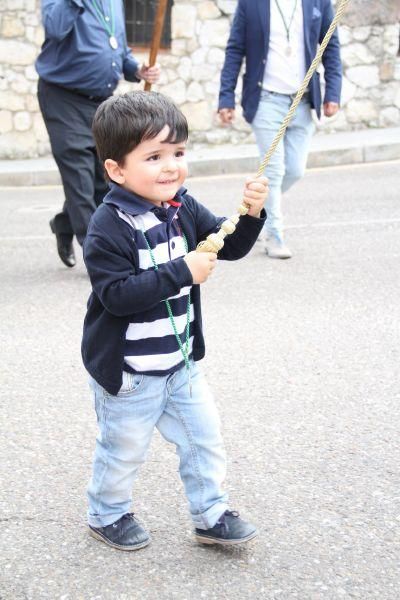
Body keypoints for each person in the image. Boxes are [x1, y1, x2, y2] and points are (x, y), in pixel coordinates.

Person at [82, 91, 268, 550]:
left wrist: (251, 213)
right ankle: (106, 514)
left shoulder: (182, 207)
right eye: (154, 156)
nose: (171, 166)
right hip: (129, 374)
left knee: (203, 440)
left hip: (180, 364)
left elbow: (231, 244)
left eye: (178, 153)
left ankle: (211, 514)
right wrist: (183, 271)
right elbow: (117, 296)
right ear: (116, 170)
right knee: (123, 452)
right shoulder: (109, 226)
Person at [36, 0, 160, 268]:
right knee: (79, 177)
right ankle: (101, 255)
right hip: (63, 97)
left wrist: (137, 70)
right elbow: (55, 28)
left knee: (106, 178)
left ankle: (64, 223)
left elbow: (119, 47)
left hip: (101, 101)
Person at [218, 0, 342, 259]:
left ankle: (257, 210)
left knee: (295, 170)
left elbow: (331, 47)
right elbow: (234, 50)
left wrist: (333, 92)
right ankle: (274, 234)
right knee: (273, 172)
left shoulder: (318, 3)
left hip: (303, 98)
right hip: (266, 99)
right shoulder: (250, 4)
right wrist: (225, 97)